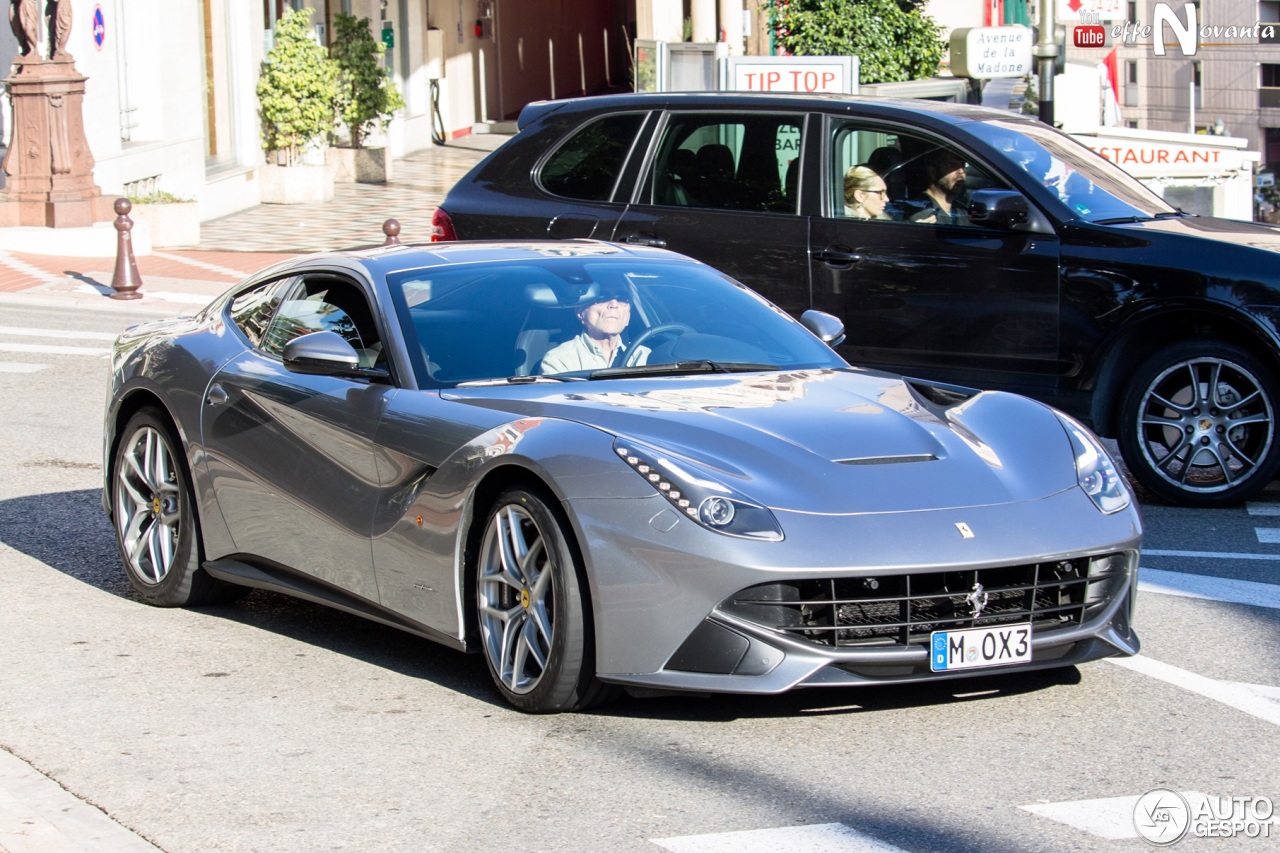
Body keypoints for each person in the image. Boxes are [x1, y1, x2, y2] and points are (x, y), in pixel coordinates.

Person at [539, 287, 650, 373]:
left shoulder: (646, 356)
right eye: (601, 297)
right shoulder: (560, 360)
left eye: (623, 298)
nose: (614, 304)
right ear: (580, 313)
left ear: (628, 316)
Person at [909, 148, 969, 225]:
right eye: (951, 166)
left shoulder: (961, 210)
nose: (961, 172)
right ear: (933, 172)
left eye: (963, 165)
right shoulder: (922, 213)